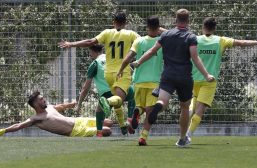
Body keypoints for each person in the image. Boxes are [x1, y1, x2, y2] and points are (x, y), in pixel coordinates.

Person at [132, 9, 214, 147]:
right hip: (184, 77)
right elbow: (195, 57)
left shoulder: (166, 35)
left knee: (162, 101)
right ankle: (182, 139)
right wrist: (206, 74)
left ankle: (158, 107)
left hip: (168, 75)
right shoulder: (191, 37)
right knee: (185, 107)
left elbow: (152, 51)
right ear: (188, 21)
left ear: (175, 20)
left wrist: (138, 62)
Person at [187, 17, 257, 141]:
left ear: (202, 27)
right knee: (200, 110)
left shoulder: (194, 39)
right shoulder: (221, 40)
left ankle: (186, 116)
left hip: (193, 78)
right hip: (209, 80)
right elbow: (242, 43)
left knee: (193, 102)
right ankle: (187, 134)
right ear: (214, 28)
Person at [59, 11, 140, 135]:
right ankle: (108, 103)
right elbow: (143, 44)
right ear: (125, 23)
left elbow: (91, 42)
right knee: (119, 99)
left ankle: (123, 124)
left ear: (113, 22)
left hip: (108, 74)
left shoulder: (107, 33)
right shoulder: (131, 34)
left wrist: (71, 44)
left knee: (117, 98)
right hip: (122, 72)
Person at [0, 91, 113, 137]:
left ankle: (125, 124)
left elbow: (60, 106)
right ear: (36, 104)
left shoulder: (50, 108)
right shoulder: (36, 118)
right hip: (76, 131)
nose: (44, 99)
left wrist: (73, 104)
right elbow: (18, 126)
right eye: (41, 99)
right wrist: (0, 131)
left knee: (109, 122)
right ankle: (97, 137)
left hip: (79, 120)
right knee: (107, 130)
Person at [117, 16, 164, 146]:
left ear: (147, 27)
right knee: (151, 110)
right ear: (158, 27)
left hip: (138, 81)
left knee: (140, 106)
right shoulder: (162, 41)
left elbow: (128, 58)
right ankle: (143, 137)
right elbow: (172, 34)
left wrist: (120, 70)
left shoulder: (139, 41)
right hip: (154, 82)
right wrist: (161, 30)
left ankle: (137, 112)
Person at [76, 44, 135, 136]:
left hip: (107, 93)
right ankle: (128, 121)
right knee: (131, 97)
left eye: (90, 52)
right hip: (124, 88)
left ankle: (99, 133)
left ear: (92, 51)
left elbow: (86, 88)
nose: (90, 55)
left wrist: (79, 104)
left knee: (99, 111)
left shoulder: (95, 64)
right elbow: (130, 70)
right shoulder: (113, 58)